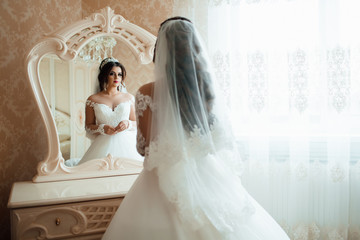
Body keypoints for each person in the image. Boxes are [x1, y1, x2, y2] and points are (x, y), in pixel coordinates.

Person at [102, 18, 290, 240]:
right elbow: (216, 136)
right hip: (208, 175)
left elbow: (145, 149)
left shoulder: (146, 92)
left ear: (160, 51)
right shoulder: (206, 90)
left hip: (161, 182)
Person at [74, 58, 143, 165]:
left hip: (128, 145)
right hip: (102, 145)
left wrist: (127, 123)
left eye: (119, 74)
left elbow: (136, 123)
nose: (116, 77)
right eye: (112, 74)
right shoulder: (92, 99)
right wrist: (102, 128)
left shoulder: (128, 98)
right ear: (105, 75)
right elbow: (88, 126)